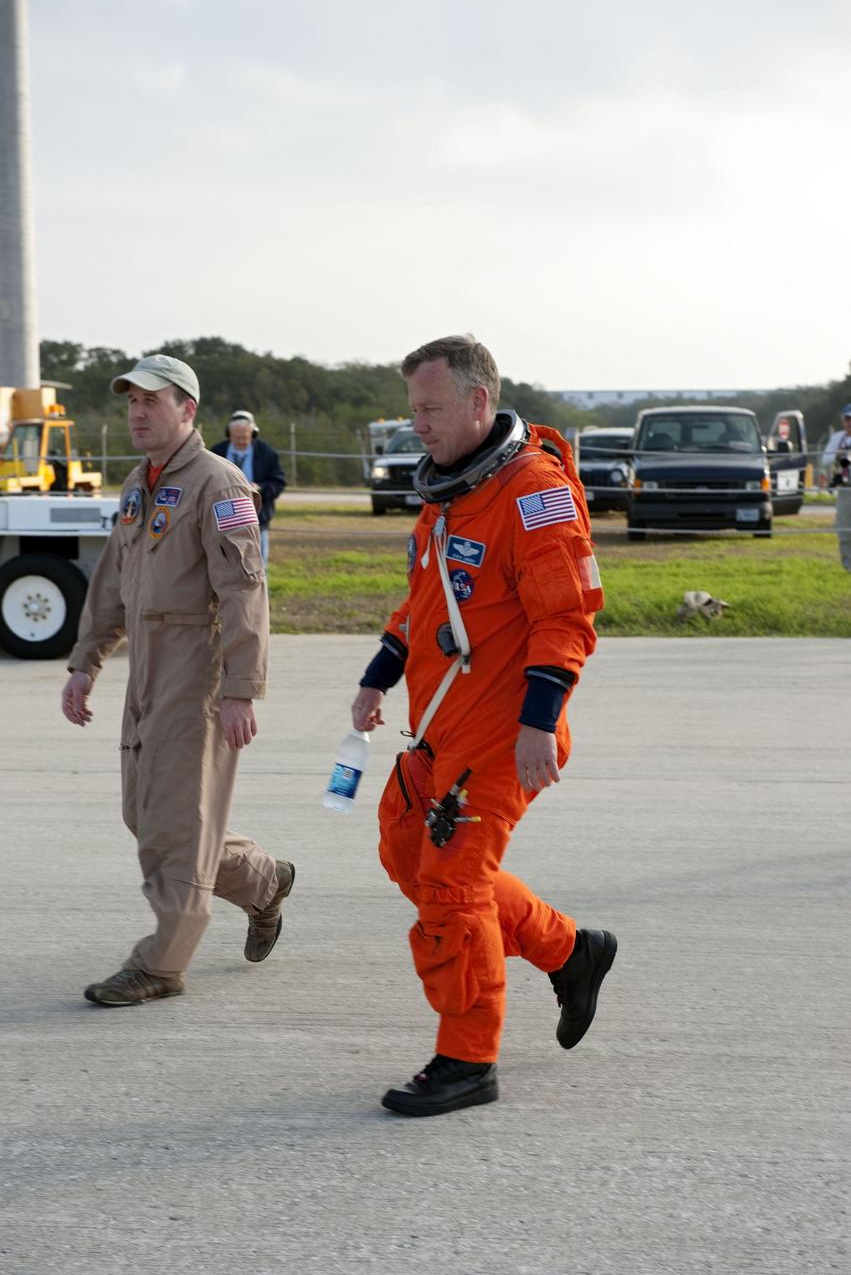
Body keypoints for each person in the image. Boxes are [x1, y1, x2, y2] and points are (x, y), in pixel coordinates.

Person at [350, 335, 617, 1117]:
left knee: (451, 886)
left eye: (430, 409)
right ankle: (570, 951)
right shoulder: (448, 494)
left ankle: (467, 1059)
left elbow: (564, 619)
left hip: (504, 735)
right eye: (411, 411)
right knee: (406, 849)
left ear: (477, 402)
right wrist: (377, 676)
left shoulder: (533, 492)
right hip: (439, 727)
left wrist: (540, 723)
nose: (417, 426)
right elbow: (426, 603)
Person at [61, 354, 295, 1007]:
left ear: (186, 410)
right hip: (147, 664)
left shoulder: (220, 486)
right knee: (146, 814)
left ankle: (162, 962)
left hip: (198, 665)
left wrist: (243, 689)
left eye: (151, 401)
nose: (136, 413)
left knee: (178, 822)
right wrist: (85, 663)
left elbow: (246, 590)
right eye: (131, 402)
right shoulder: (139, 484)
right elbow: (111, 582)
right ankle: (261, 881)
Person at [212, 411, 286, 566]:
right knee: (224, 564)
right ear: (228, 434)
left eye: (245, 437)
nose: (240, 441)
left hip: (257, 518)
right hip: (222, 518)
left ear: (253, 433)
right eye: (236, 438)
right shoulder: (216, 453)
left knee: (258, 566)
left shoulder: (267, 453)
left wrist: (261, 489)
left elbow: (278, 482)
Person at [821, 403, 851, 489]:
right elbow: (825, 459)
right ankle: (839, 479)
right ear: (842, 421)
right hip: (843, 486)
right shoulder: (837, 437)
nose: (850, 422)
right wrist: (837, 456)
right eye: (847, 419)